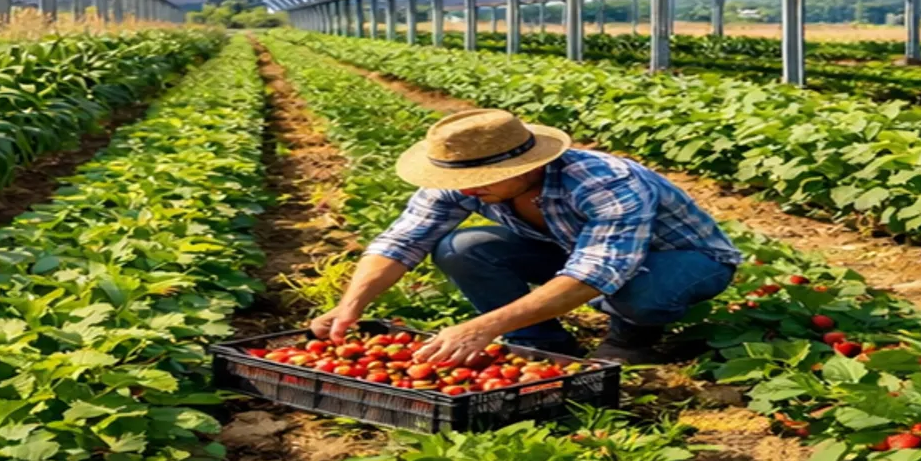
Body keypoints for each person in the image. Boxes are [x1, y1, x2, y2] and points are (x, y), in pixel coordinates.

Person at [310, 108, 741, 364]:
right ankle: (540, 343)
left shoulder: (605, 182)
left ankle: (632, 339)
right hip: (570, 250)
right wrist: (350, 307)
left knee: (637, 289)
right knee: (462, 247)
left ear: (528, 165)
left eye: (486, 179)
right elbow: (402, 241)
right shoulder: (462, 179)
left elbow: (598, 272)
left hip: (684, 261)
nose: (469, 190)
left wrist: (482, 327)